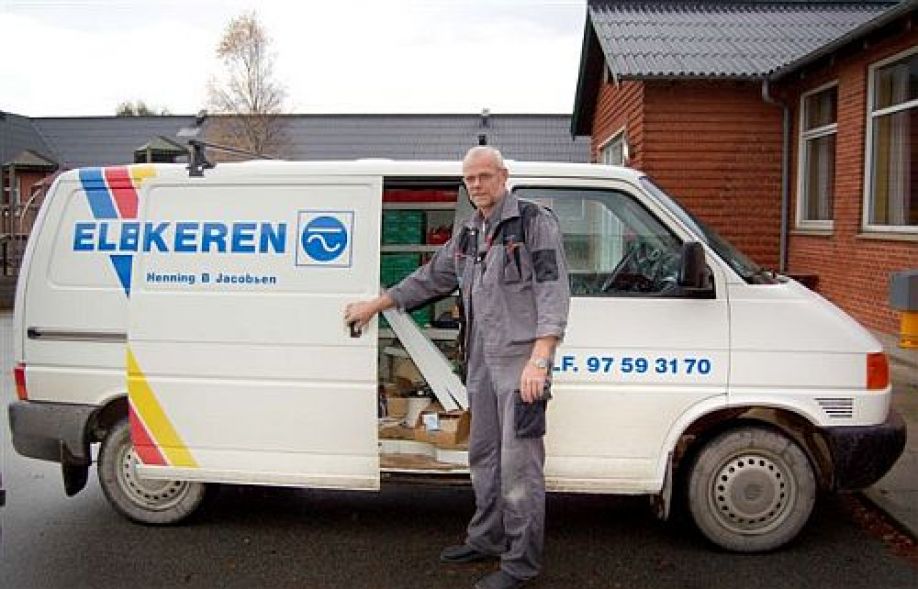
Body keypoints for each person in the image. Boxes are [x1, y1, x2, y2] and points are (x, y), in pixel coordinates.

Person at [345, 146, 570, 589]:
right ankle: (487, 537)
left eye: (484, 176)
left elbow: (552, 289)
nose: (477, 185)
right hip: (481, 361)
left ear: (503, 175)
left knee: (520, 466)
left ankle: (520, 564)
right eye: (470, 179)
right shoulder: (469, 232)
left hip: (521, 362)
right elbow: (430, 278)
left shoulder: (532, 223)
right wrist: (375, 305)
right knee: (483, 454)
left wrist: (540, 358)